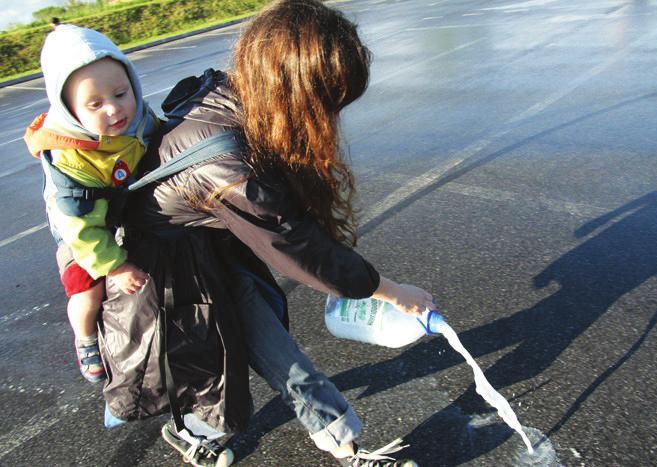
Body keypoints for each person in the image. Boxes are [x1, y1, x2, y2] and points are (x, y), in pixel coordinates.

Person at [101, 1, 431, 466]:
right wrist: (391, 292)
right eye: (327, 103)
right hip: (166, 272)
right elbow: (298, 246)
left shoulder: (235, 95)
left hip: (208, 244)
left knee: (270, 353)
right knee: (212, 370)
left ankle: (344, 447)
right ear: (294, 87)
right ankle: (193, 433)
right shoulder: (227, 168)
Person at [24, 25, 156, 383]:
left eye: (121, 92)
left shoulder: (139, 119)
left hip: (115, 207)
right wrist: (114, 266)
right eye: (95, 104)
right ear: (69, 110)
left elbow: (157, 138)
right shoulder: (69, 158)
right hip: (79, 229)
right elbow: (79, 227)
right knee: (88, 289)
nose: (114, 109)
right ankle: (85, 341)